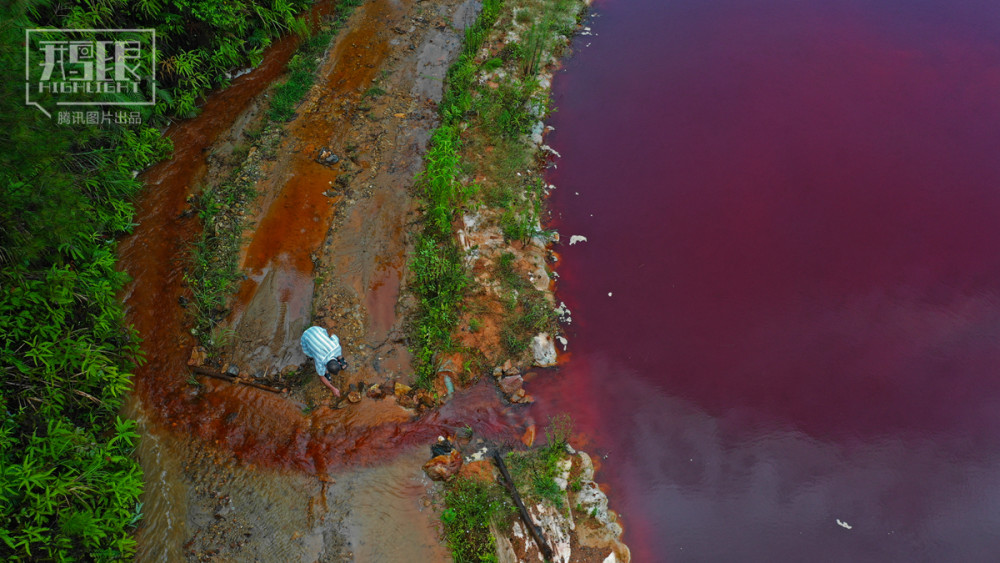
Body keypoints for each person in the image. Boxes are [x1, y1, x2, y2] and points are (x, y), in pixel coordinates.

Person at [300, 326, 349, 397]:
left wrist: (337, 343)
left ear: (338, 362)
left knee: (338, 349)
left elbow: (334, 337)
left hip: (316, 329)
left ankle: (340, 358)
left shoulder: (336, 346)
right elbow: (321, 376)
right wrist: (333, 389)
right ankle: (326, 371)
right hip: (305, 337)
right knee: (311, 355)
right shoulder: (320, 361)